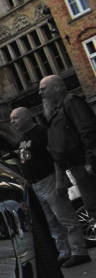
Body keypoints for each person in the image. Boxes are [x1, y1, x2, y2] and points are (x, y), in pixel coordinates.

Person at [11, 106, 88, 267]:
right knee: (52, 221)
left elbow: (56, 156)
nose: (12, 122)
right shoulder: (22, 137)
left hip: (49, 179)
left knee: (65, 217)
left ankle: (79, 252)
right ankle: (65, 252)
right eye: (11, 119)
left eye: (15, 118)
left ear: (27, 117)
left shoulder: (41, 132)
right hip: (35, 183)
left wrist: (59, 178)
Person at [41, 74, 96, 263]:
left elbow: (88, 131)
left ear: (57, 87)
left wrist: (90, 160)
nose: (41, 92)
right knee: (92, 206)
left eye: (44, 88)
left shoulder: (71, 102)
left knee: (93, 205)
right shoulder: (57, 109)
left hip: (84, 164)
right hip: (75, 166)